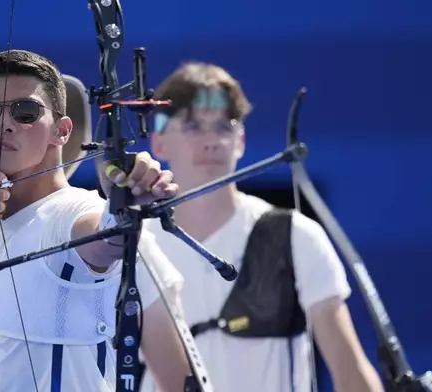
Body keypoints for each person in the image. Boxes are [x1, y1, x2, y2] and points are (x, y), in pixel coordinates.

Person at [0, 49, 192, 392]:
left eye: (24, 111)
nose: (3, 123)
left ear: (62, 130)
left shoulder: (72, 213)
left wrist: (123, 205)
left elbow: (105, 237)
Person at [139, 61, 385, 392]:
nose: (212, 141)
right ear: (159, 144)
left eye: (225, 126)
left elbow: (349, 368)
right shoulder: (138, 245)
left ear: (240, 141)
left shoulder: (296, 236)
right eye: (193, 126)